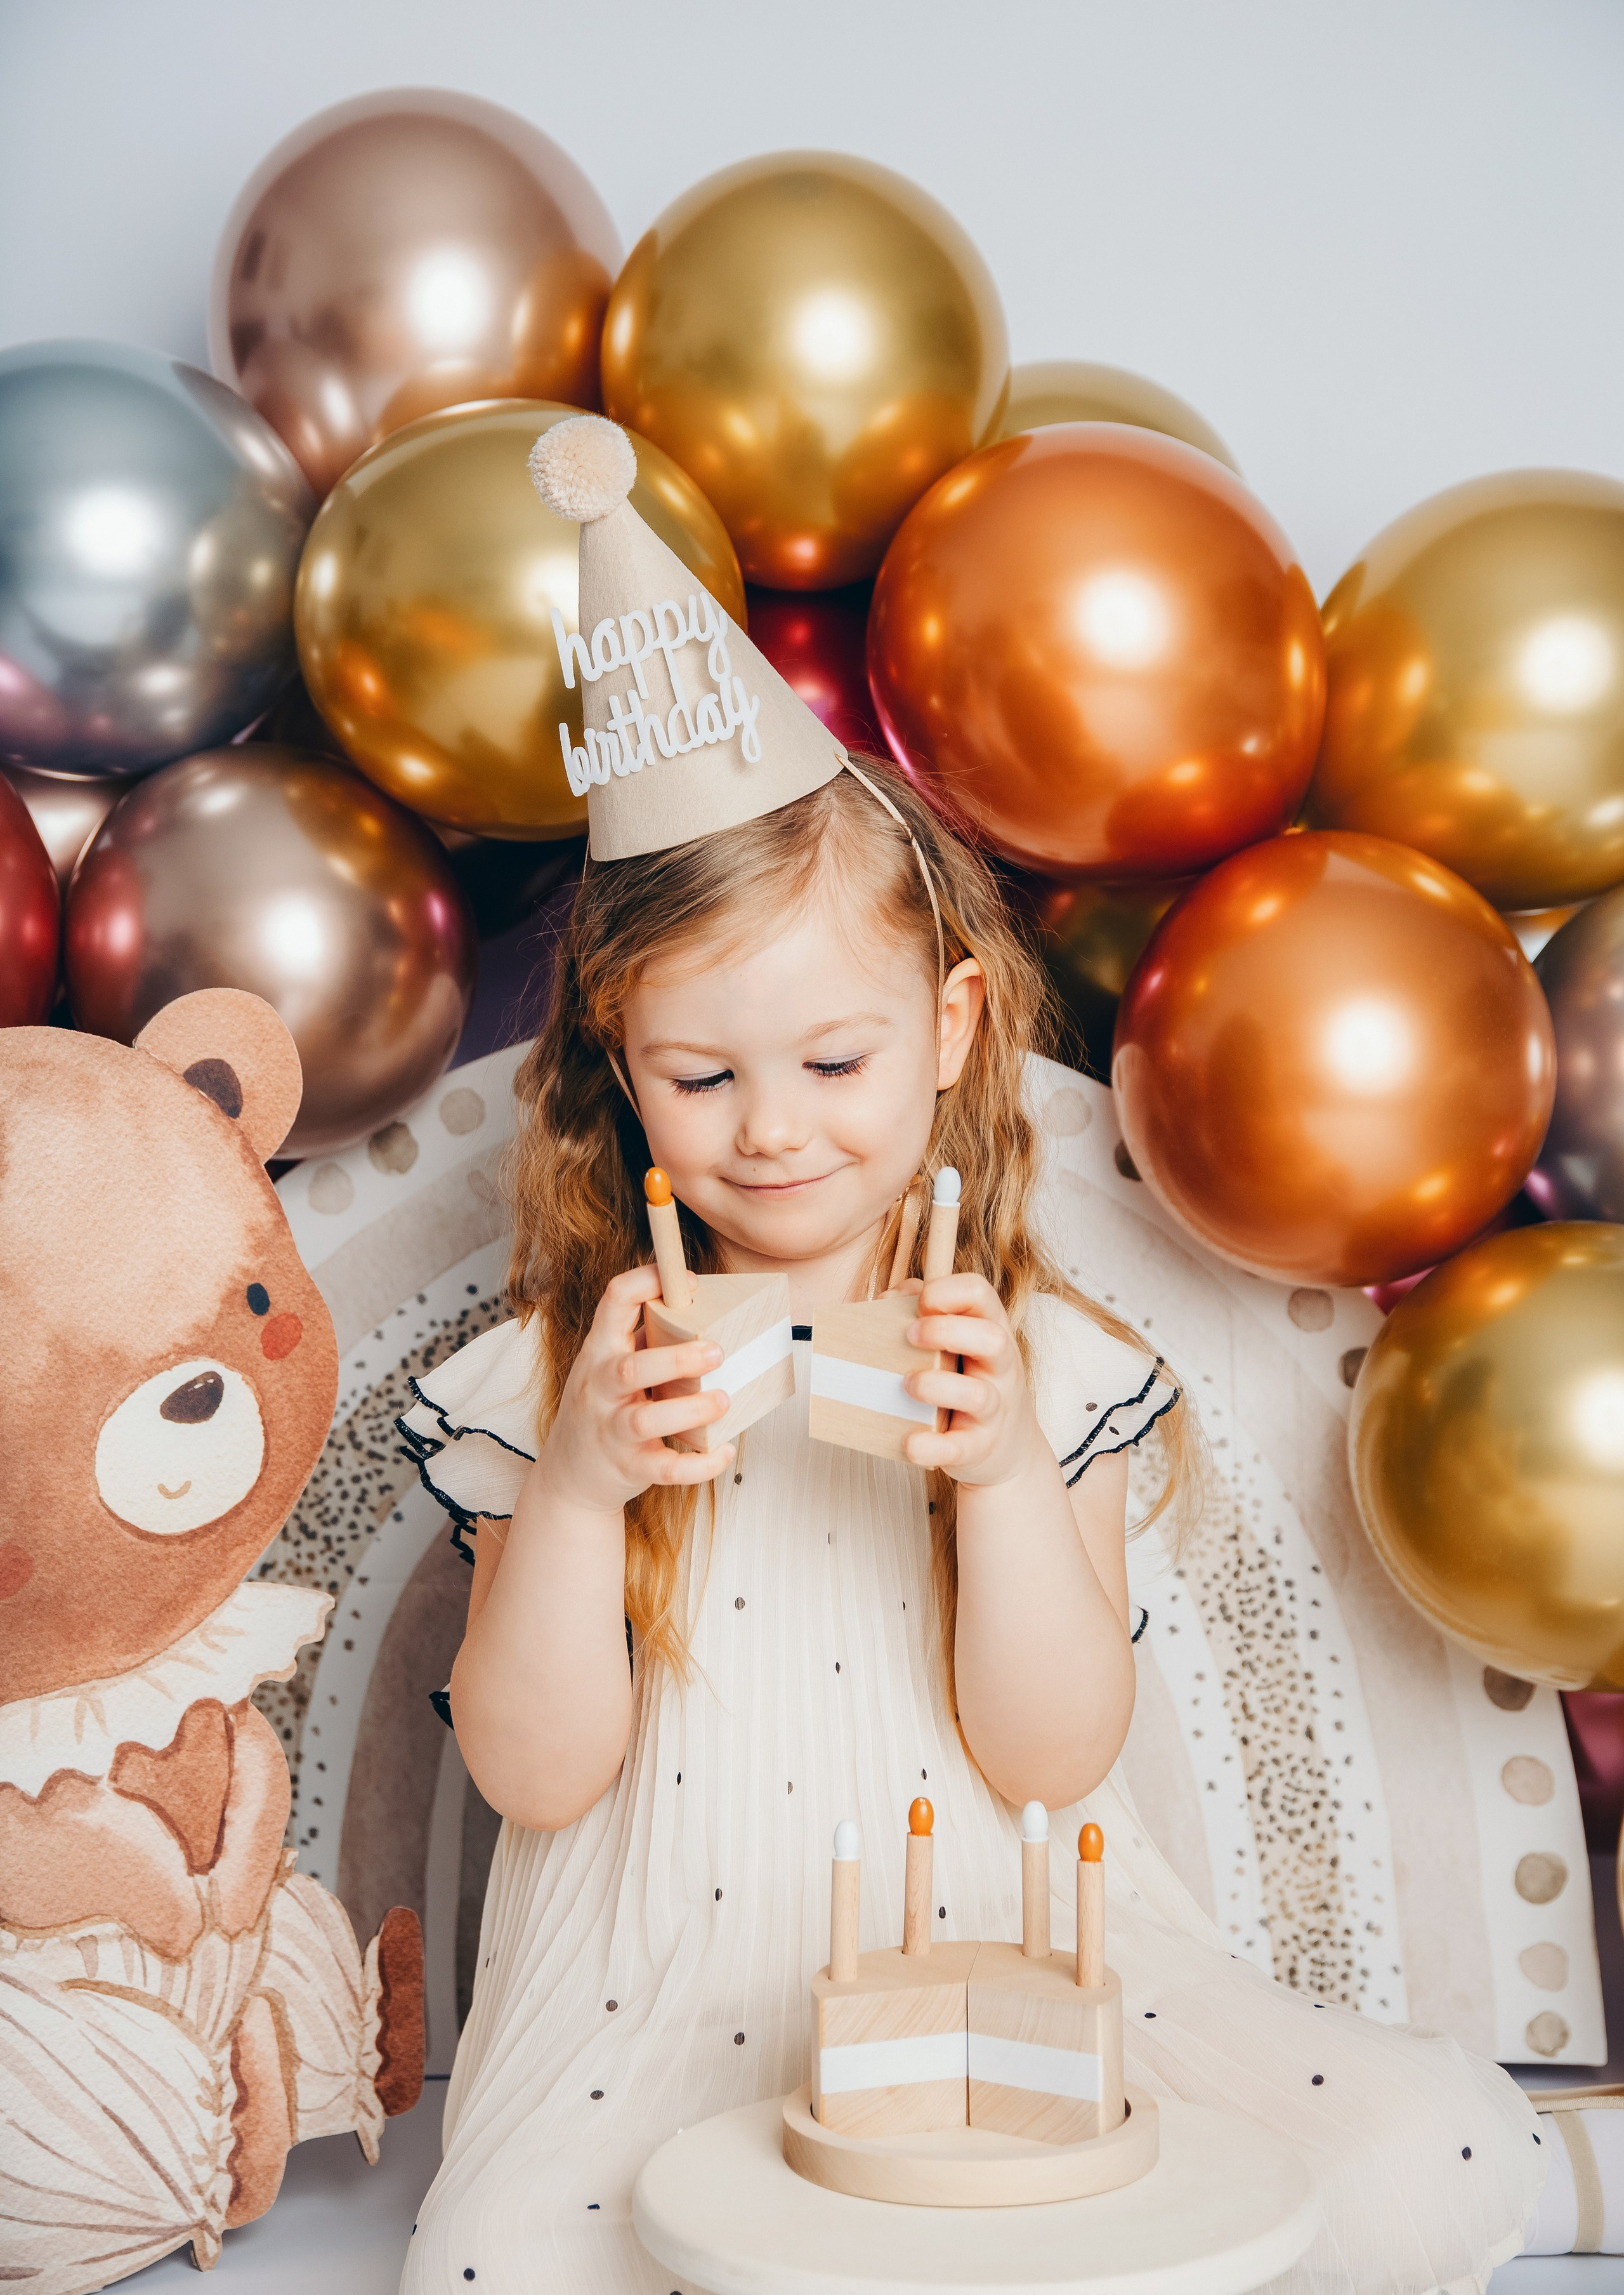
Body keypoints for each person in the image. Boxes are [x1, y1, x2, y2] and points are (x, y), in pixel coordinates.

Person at [397, 417, 1552, 2294]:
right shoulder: (557, 1381)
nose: (773, 1127)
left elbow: (1051, 1744)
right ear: (623, 1071)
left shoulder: (1039, 1356)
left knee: (1425, 2157)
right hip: (663, 1993)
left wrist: (1006, 1469)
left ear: (948, 1030)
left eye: (833, 1062)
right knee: (502, 2277)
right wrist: (590, 1484)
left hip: (1017, 1966)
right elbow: (536, 1772)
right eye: (704, 1075)